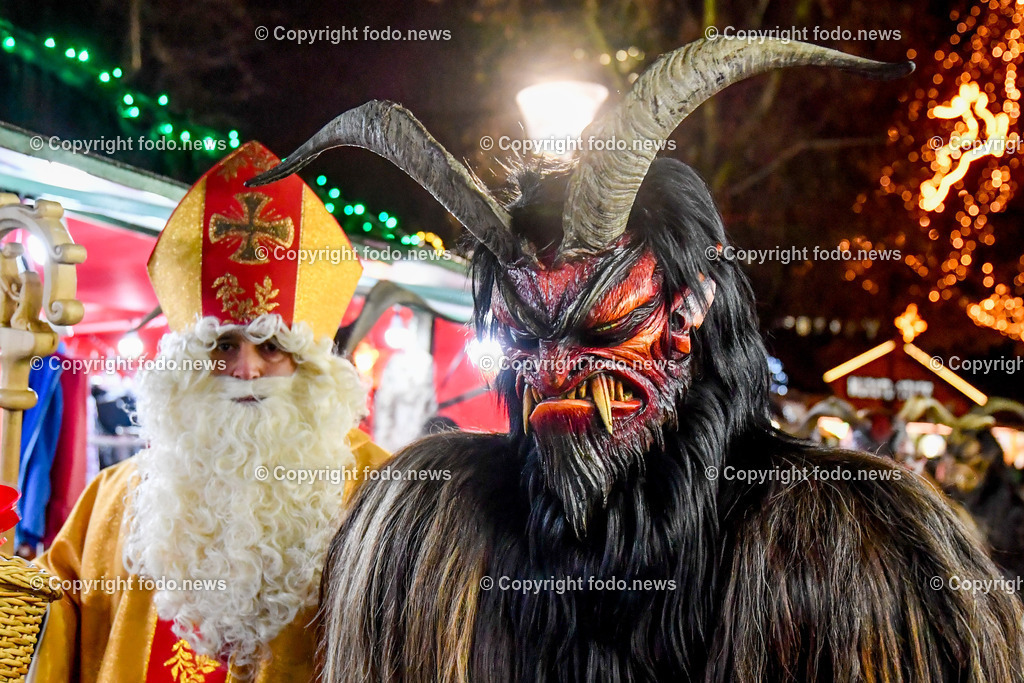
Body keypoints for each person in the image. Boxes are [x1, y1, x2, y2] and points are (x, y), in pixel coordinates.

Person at [252, 38, 1024, 681]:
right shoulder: (420, 531)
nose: (554, 369)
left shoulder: (859, 551)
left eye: (605, 326)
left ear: (693, 308)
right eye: (525, 335)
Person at [30, 141, 388, 682]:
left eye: (270, 347)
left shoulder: (380, 495)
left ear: (310, 368)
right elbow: (43, 618)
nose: (246, 370)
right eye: (223, 346)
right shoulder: (116, 497)